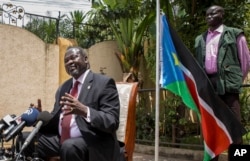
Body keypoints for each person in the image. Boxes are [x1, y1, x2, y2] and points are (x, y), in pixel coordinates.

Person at [18, 46, 122, 161]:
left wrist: (85, 111)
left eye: (74, 57)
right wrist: (41, 117)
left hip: (92, 141)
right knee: (24, 139)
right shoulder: (64, 87)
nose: (70, 62)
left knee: (69, 147)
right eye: (66, 61)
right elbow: (57, 119)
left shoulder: (103, 83)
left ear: (86, 59)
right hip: (61, 139)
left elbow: (112, 121)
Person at [194, 5, 250, 161]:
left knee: (235, 127)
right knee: (211, 127)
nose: (209, 16)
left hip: (228, 85)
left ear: (222, 15)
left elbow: (245, 62)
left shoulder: (235, 34)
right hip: (209, 86)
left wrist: (234, 80)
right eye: (207, 14)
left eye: (213, 13)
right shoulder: (200, 39)